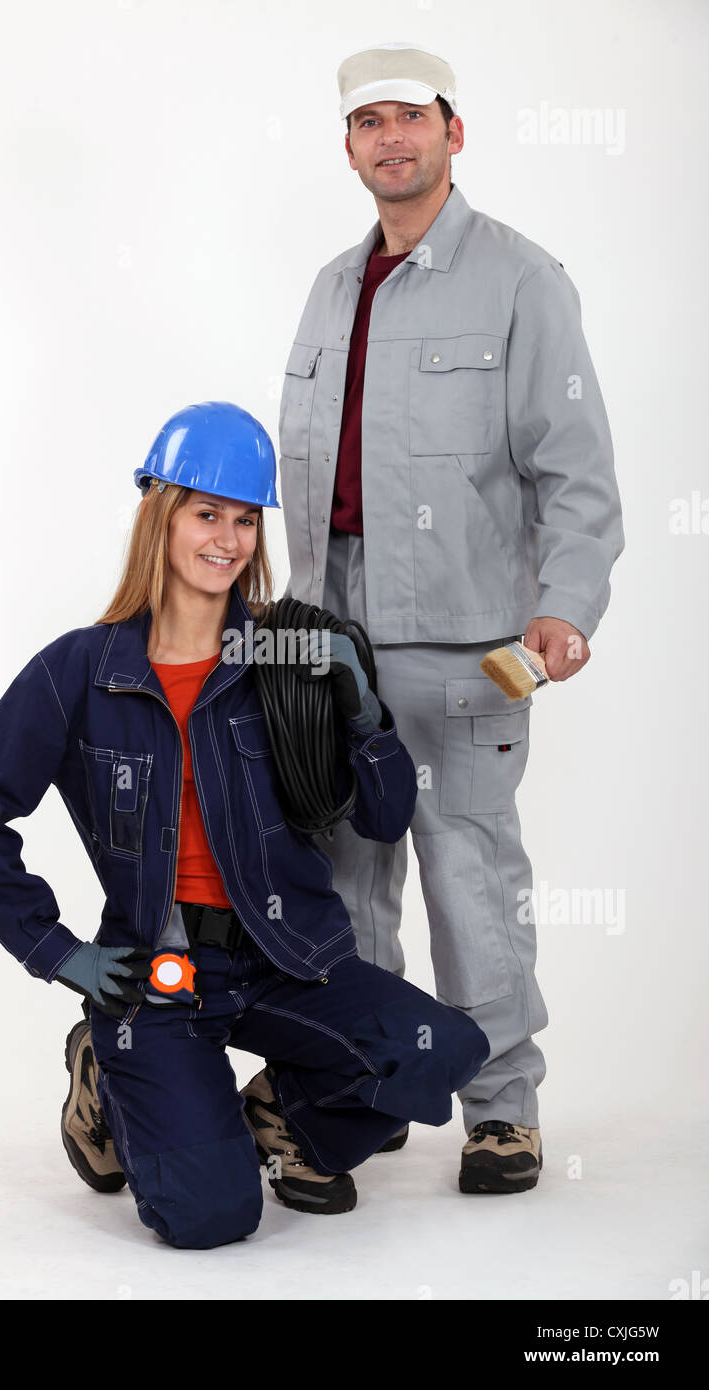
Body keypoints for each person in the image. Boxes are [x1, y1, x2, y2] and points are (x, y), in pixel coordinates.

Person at [0, 401, 489, 1250]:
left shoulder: (285, 659)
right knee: (211, 1217)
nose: (227, 540)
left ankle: (281, 1115)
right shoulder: (81, 671)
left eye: (244, 519)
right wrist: (59, 953)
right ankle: (106, 1069)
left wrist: (364, 716)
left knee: (442, 1049)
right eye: (205, 513)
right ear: (160, 511)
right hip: (155, 974)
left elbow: (383, 819)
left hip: (287, 957)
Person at [276, 43, 625, 1193]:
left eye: (410, 118)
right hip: (334, 633)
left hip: (470, 643)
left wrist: (562, 606)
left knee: (466, 869)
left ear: (452, 134)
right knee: (342, 873)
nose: (390, 138)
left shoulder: (522, 281)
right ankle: (372, 1086)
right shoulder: (332, 287)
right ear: (347, 148)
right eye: (367, 122)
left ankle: (500, 1107)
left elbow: (574, 475)